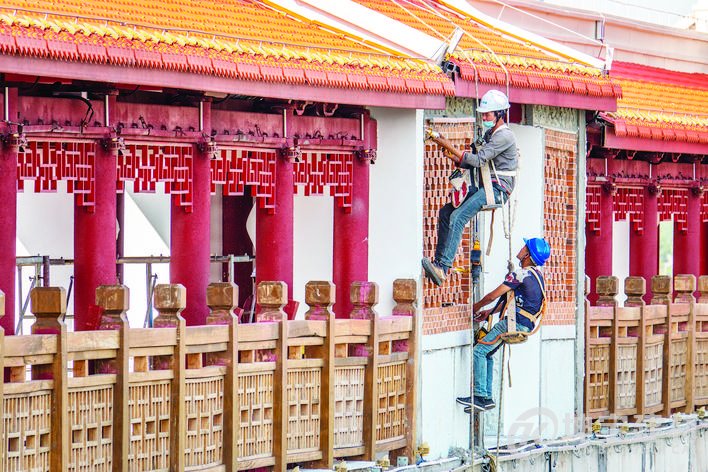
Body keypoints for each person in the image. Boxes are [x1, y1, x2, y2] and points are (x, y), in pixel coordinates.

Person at [422, 89, 518, 286]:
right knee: (447, 212)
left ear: (500, 113)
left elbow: (478, 160)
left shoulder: (504, 136)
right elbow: (470, 160)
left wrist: (446, 143)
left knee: (458, 217)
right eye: (483, 114)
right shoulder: (489, 134)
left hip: (498, 189)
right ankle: (440, 263)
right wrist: (453, 157)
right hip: (486, 185)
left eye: (488, 114)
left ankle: (443, 267)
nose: (484, 117)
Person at [457, 237, 550, 412]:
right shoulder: (537, 276)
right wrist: (490, 312)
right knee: (488, 353)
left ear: (528, 255)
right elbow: (515, 299)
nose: (521, 248)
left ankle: (478, 396)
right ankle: (486, 397)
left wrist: (475, 307)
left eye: (524, 247)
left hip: (513, 324)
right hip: (525, 324)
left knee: (479, 351)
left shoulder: (520, 274)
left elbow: (493, 295)